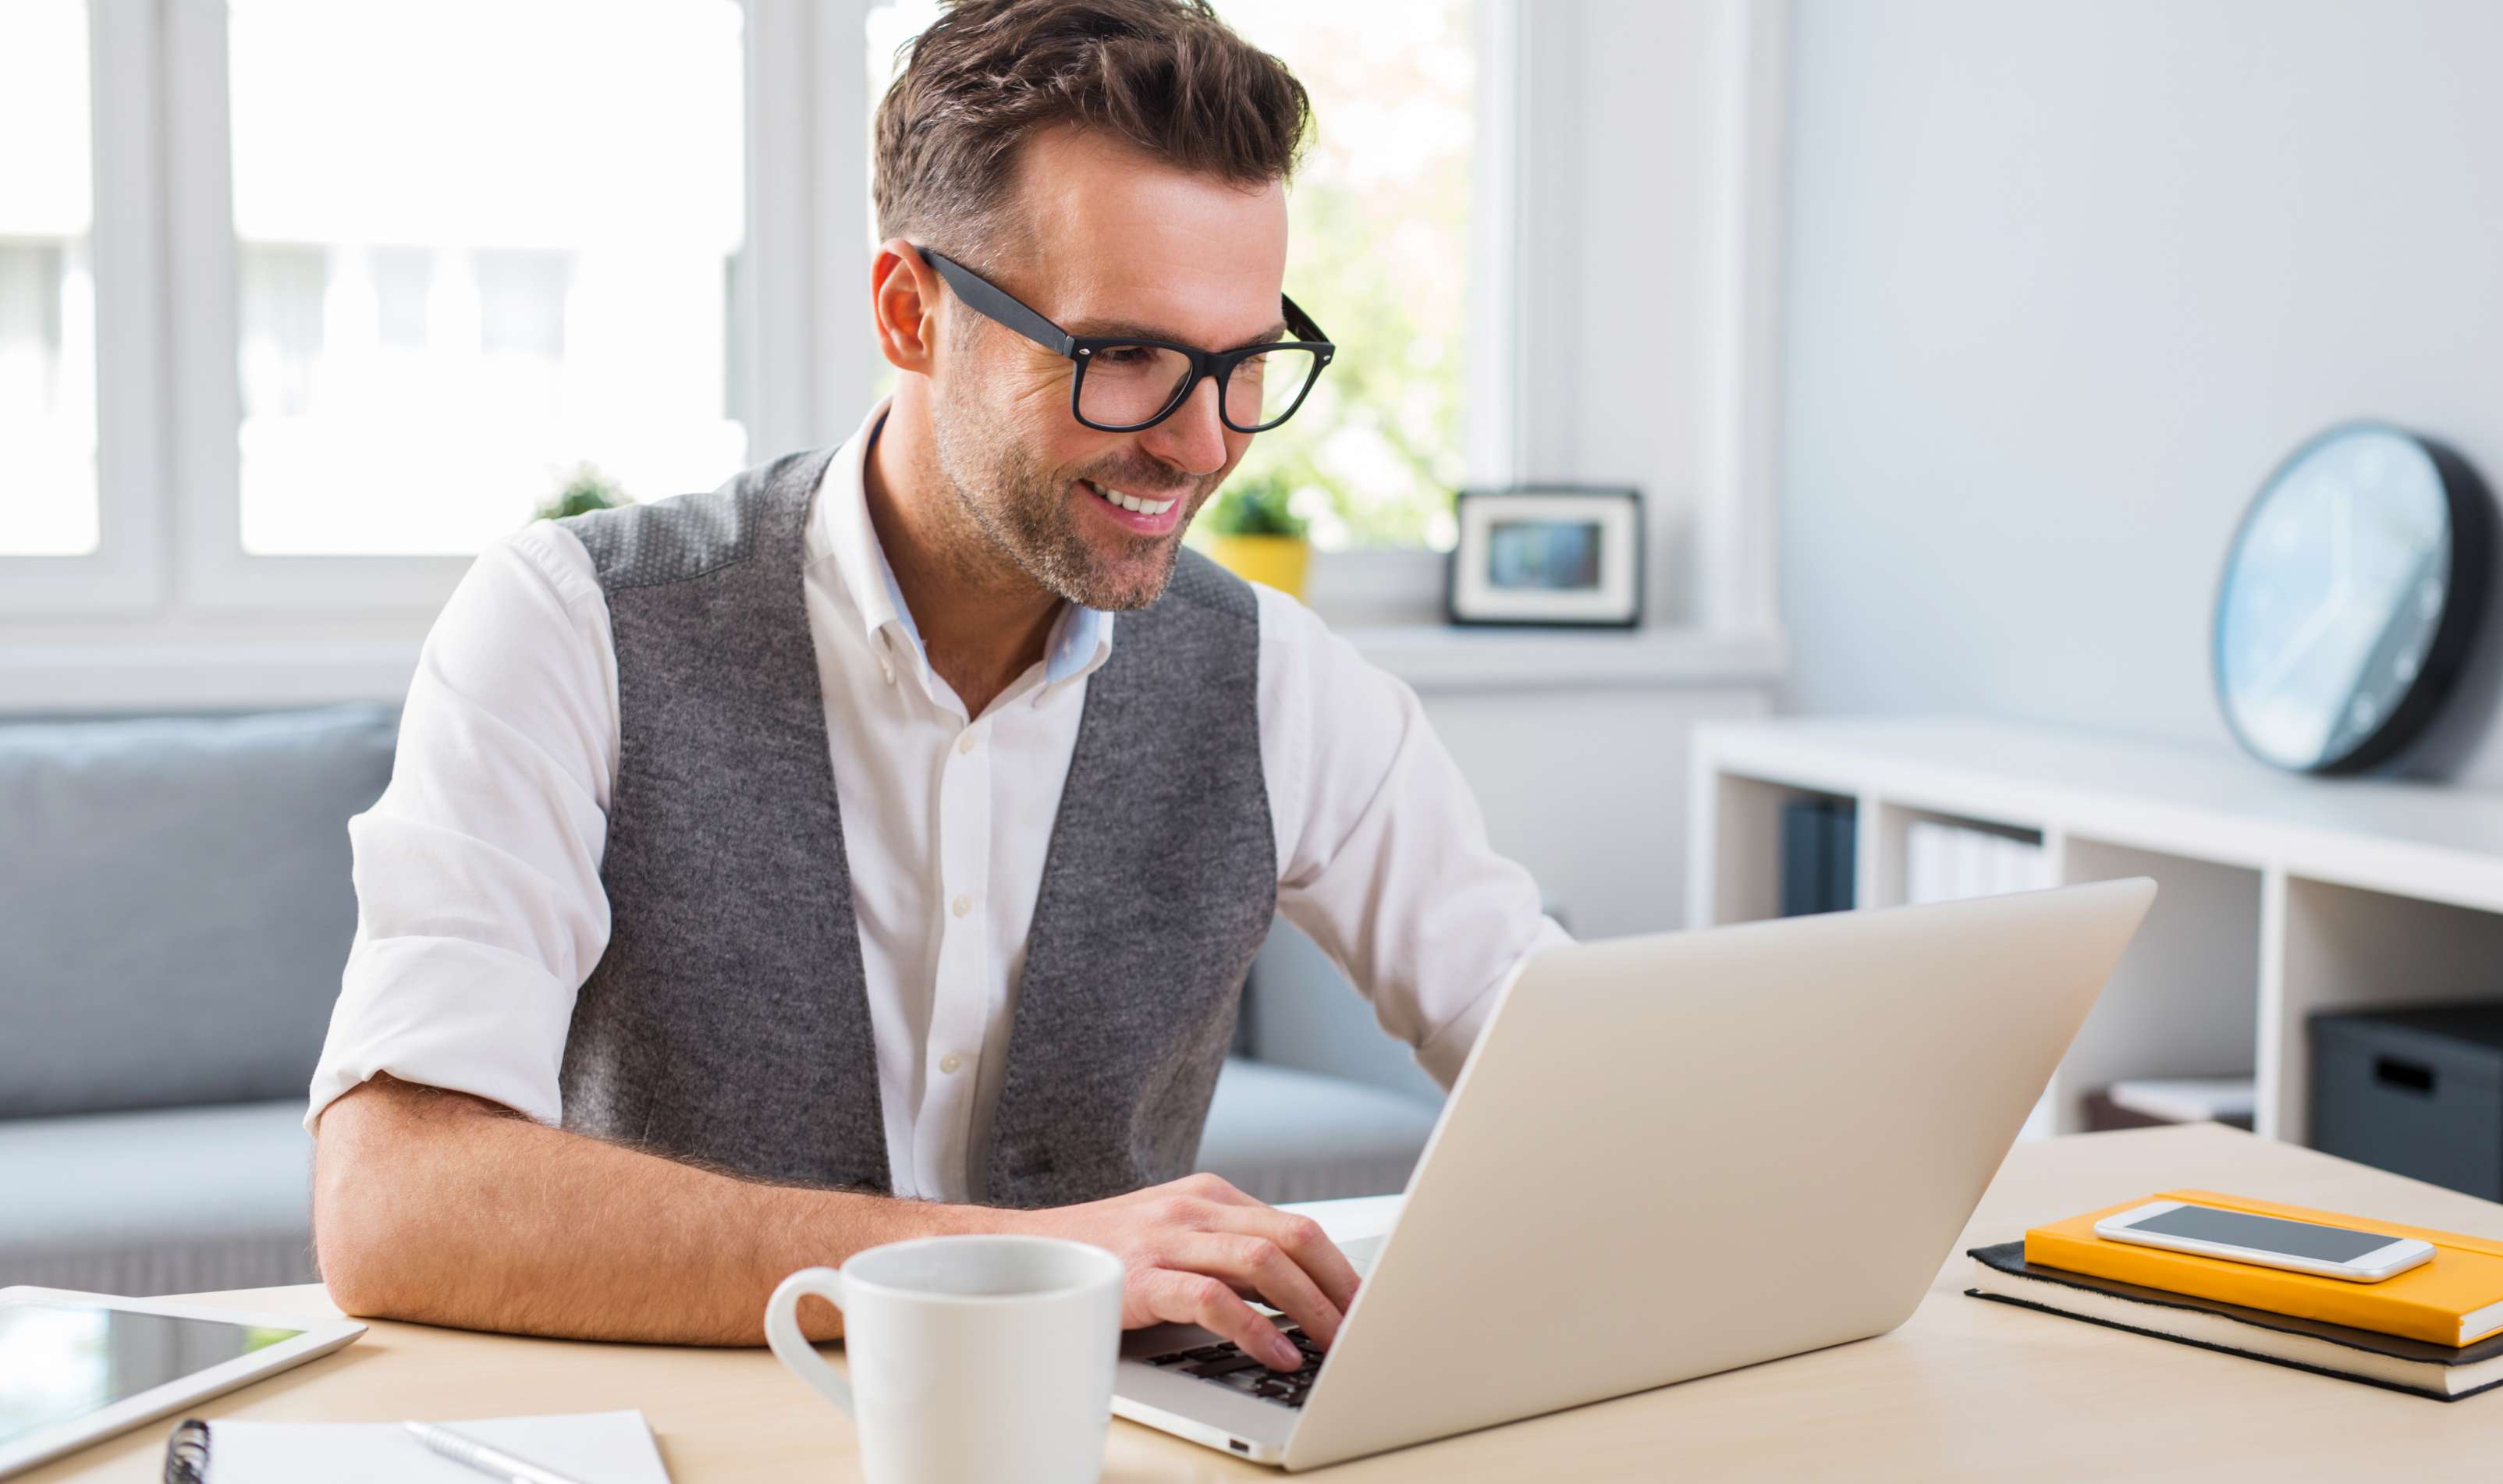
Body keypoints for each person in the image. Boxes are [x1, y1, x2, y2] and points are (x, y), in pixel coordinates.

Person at [307, 0, 1565, 1377]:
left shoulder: (1284, 684)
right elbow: (395, 1199)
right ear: (913, 312)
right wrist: (1012, 1268)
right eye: (1124, 356)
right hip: (693, 1442)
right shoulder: (572, 626)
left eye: (1244, 360)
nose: (1205, 444)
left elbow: (1569, 1058)